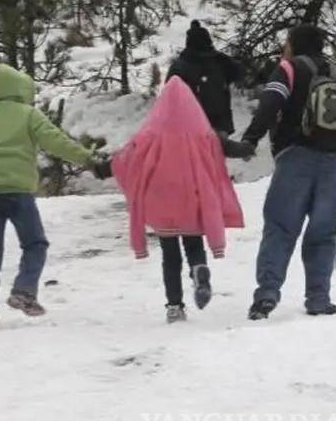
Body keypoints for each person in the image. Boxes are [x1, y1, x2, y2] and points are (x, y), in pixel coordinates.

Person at [94, 77, 251, 323]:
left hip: (161, 199)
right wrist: (245, 148)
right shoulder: (203, 133)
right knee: (193, 244)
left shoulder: (151, 133)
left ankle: (174, 306)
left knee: (170, 256)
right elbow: (226, 147)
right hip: (192, 196)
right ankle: (199, 269)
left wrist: (103, 168)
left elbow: (127, 157)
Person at [0, 64, 98, 330]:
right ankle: (23, 291)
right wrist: (88, 159)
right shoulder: (28, 114)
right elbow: (55, 141)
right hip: (18, 193)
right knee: (35, 244)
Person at [241, 24, 336, 320]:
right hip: (333, 164)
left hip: (295, 158)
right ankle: (319, 299)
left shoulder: (289, 69)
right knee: (323, 234)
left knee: (280, 228)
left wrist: (250, 139)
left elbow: (271, 102)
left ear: (293, 44)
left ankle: (267, 295)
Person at [167, 20, 245, 133]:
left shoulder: (179, 66)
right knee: (219, 148)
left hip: (191, 126)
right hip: (220, 123)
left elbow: (169, 97)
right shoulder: (220, 60)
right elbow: (240, 72)